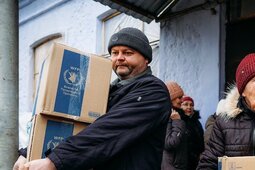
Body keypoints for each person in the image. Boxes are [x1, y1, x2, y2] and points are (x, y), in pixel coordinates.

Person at [15, 27, 172, 170]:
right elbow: (74, 124)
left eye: (128, 53)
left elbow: (108, 130)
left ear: (146, 59)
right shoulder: (110, 91)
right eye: (115, 53)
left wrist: (54, 160)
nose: (120, 58)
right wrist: (28, 152)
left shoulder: (153, 91)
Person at [161, 82, 204, 170]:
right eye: (179, 98)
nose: (181, 100)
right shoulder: (168, 116)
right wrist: (177, 121)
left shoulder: (177, 115)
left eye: (191, 105)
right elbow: (170, 143)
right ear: (171, 98)